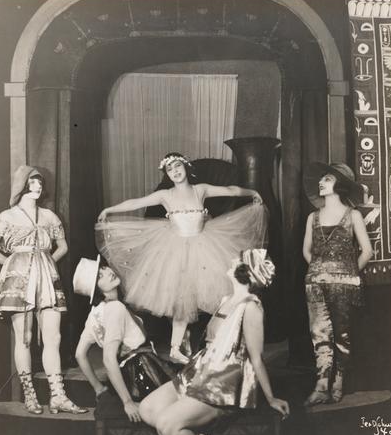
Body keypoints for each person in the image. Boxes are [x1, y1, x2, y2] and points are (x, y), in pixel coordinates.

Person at [138, 249, 290, 435]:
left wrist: (270, 397)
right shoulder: (226, 299)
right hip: (200, 371)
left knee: (166, 425)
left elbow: (256, 357)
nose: (232, 260)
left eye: (238, 260)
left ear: (245, 272)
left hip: (224, 383)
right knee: (147, 409)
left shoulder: (252, 308)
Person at [96, 152, 268, 365]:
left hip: (204, 247)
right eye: (170, 169)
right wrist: (109, 209)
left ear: (186, 167)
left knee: (220, 295)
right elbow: (136, 203)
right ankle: (176, 348)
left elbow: (230, 190)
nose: (175, 171)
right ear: (167, 174)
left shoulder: (200, 190)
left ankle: (219, 343)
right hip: (175, 251)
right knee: (181, 301)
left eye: (177, 166)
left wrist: (253, 192)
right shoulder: (165, 195)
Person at [0, 165, 87, 415]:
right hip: (19, 281)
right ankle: (30, 395)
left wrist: (46, 261)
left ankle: (58, 396)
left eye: (39, 183)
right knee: (25, 338)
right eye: (32, 183)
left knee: (54, 337)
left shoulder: (49, 216)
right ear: (21, 186)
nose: (37, 187)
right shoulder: (8, 216)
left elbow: (62, 247)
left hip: (46, 278)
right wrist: (12, 263)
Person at [302, 162, 373, 406]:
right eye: (321, 179)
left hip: (345, 284)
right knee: (319, 332)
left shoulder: (353, 215)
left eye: (328, 179)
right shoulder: (312, 217)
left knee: (342, 333)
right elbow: (306, 250)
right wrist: (319, 269)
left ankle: (338, 382)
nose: (321, 183)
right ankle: (321, 385)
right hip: (315, 283)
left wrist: (349, 272)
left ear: (340, 185)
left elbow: (367, 251)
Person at [73, 256, 175, 422]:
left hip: (127, 375)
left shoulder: (94, 315)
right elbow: (108, 358)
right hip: (143, 372)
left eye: (104, 268)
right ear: (97, 290)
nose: (108, 272)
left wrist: (98, 388)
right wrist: (127, 402)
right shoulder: (116, 308)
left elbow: (79, 354)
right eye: (100, 276)